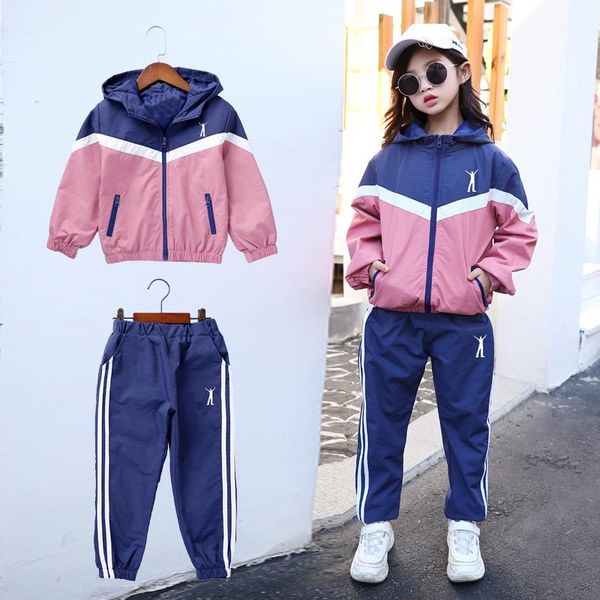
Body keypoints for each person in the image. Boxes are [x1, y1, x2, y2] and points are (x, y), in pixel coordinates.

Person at [345, 23, 538, 585]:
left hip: (463, 322)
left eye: (434, 72)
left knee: (466, 424)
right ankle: (375, 526)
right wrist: (372, 269)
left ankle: (465, 525)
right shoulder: (387, 162)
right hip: (393, 319)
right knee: (381, 425)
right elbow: (362, 227)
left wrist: (486, 277)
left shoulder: (493, 162)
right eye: (410, 80)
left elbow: (520, 231)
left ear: (462, 72)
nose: (424, 87)